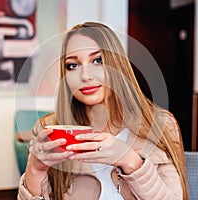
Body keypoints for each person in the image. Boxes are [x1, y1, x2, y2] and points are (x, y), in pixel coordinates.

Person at [18, 22, 188, 200]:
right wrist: (35, 170)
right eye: (73, 66)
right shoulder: (48, 128)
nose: (85, 76)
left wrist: (131, 161)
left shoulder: (162, 124)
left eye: (98, 61)